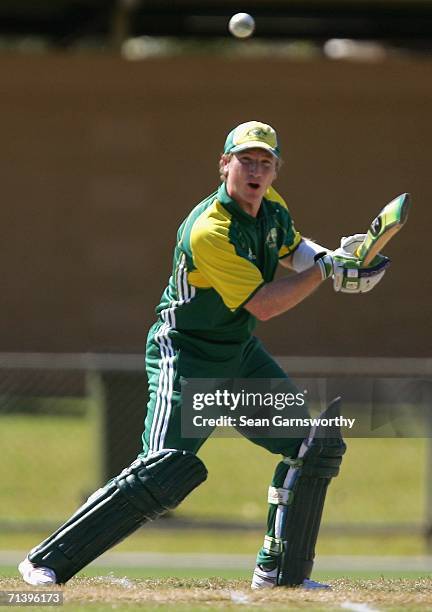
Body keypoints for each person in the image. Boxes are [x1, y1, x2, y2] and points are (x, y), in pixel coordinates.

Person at [19, 121, 388, 589]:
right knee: (163, 471)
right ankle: (45, 559)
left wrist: (333, 259)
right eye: (245, 160)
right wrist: (329, 270)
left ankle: (277, 573)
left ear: (275, 172)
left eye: (265, 163)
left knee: (312, 448)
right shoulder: (210, 230)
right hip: (188, 356)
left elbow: (295, 252)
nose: (255, 170)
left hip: (239, 356)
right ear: (224, 165)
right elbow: (265, 304)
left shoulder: (271, 208)